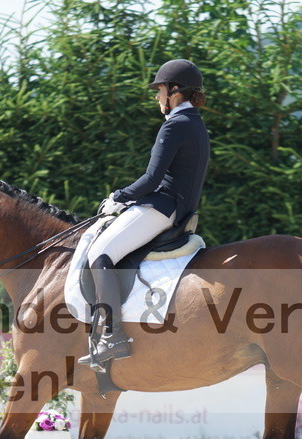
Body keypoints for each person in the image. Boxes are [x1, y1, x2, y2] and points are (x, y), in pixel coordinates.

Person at [81, 58, 211, 367]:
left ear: (175, 91)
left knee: (100, 253)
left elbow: (152, 178)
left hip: (162, 207)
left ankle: (112, 337)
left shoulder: (175, 125)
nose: (157, 97)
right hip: (176, 207)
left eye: (160, 90)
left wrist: (119, 197)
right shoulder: (196, 123)